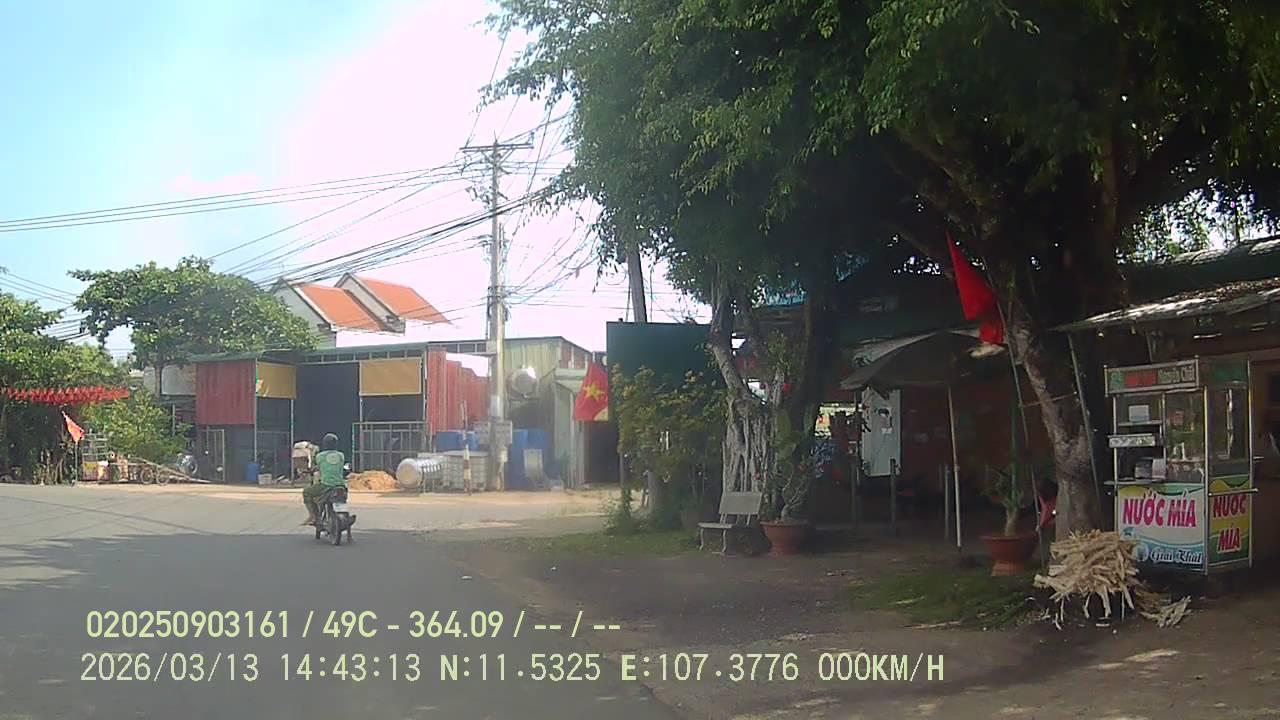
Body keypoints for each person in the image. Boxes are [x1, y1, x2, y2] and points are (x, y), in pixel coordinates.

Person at [302, 433, 346, 526]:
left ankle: (313, 516)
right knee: (342, 502)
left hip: (325, 485)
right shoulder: (341, 455)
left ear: (324, 444)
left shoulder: (320, 456)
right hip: (341, 485)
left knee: (306, 492)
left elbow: (317, 467)